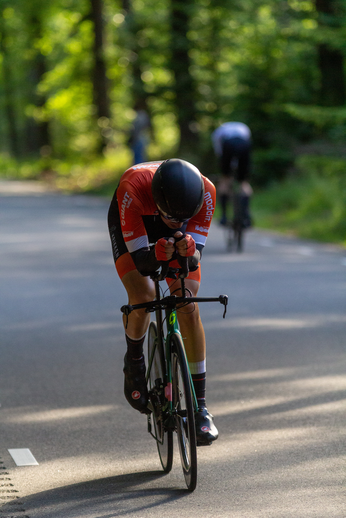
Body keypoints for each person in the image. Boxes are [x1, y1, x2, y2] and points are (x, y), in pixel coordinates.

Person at [107, 158, 218, 445]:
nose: (176, 223)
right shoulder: (132, 188)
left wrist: (189, 249)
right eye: (171, 217)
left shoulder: (207, 192)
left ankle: (201, 406)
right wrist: (156, 254)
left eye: (183, 218)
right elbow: (143, 263)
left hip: (169, 224)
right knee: (143, 295)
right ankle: (133, 360)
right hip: (138, 220)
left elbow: (194, 257)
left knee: (187, 304)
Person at [211, 122, 253, 226]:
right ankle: (245, 215)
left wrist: (225, 167)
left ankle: (224, 216)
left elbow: (219, 151)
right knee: (243, 182)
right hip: (244, 144)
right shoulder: (244, 127)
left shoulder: (220, 130)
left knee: (225, 179)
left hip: (228, 145)